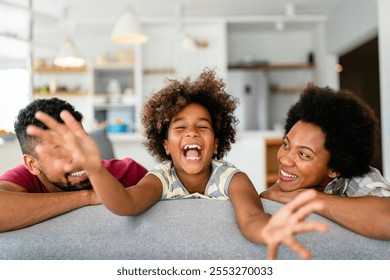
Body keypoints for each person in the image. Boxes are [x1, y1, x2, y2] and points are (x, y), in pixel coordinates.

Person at [27, 69, 328, 260]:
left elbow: (251, 219)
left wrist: (270, 230)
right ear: (165, 145)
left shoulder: (234, 179)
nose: (192, 133)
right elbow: (127, 204)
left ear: (218, 141)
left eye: (203, 127)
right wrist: (96, 169)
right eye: (180, 128)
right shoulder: (160, 178)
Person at [260, 83, 390, 239]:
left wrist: (309, 199)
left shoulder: (360, 179)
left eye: (304, 154)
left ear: (335, 168)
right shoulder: (294, 179)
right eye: (286, 145)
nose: (285, 160)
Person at [0, 98, 147, 232]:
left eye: (80, 142)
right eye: (60, 149)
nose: (79, 157)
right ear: (32, 164)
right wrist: (87, 197)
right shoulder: (22, 179)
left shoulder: (126, 171)